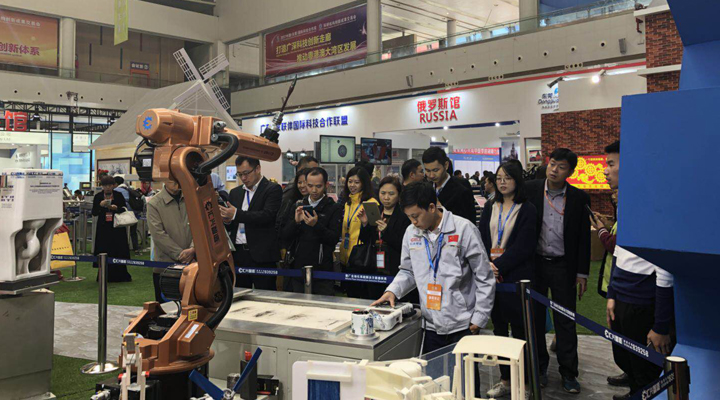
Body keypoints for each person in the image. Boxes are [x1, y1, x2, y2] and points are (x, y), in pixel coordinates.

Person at [371, 182, 495, 355]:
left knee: (463, 372)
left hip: (463, 323)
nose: (413, 222)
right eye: (409, 217)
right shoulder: (411, 233)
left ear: (431, 207)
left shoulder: (463, 229)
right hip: (430, 324)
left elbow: (484, 275)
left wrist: (480, 316)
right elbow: (408, 270)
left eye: (416, 216)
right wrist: (393, 291)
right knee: (433, 370)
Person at [526, 148, 590, 393]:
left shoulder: (579, 198)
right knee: (535, 319)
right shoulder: (530, 190)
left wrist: (582, 273)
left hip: (564, 266)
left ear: (570, 172)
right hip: (536, 265)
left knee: (566, 321)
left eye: (561, 167)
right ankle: (539, 368)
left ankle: (569, 373)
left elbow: (584, 239)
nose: (554, 170)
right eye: (552, 164)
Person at [478, 162, 537, 398]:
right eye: (499, 178)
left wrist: (497, 266)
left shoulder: (527, 209)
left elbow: (524, 246)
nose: (502, 182)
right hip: (492, 277)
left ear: (517, 180)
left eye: (508, 178)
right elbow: (482, 238)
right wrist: (487, 265)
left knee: (521, 333)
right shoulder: (490, 206)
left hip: (516, 276)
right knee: (500, 329)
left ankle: (525, 383)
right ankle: (505, 380)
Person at [220, 156, 282, 290]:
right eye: (239, 174)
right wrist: (227, 220)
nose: (243, 178)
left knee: (266, 294)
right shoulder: (235, 193)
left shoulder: (272, 189)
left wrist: (236, 214)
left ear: (258, 169)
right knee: (239, 294)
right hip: (238, 253)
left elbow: (267, 216)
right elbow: (233, 223)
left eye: (246, 173)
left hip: (262, 254)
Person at [281, 167, 342, 295]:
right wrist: (296, 222)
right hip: (298, 268)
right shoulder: (298, 205)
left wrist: (316, 225)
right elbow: (285, 236)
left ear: (326, 185)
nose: (314, 190)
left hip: (322, 270)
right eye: (310, 186)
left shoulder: (333, 208)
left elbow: (333, 238)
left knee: (322, 303)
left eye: (318, 186)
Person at [360, 176, 415, 302]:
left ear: (399, 195)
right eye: (383, 193)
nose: (386, 197)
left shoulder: (404, 215)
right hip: (374, 266)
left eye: (391, 194)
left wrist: (386, 231)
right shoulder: (375, 211)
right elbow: (365, 240)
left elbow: (402, 244)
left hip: (395, 266)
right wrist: (364, 224)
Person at [146, 181, 195, 302]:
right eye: (171, 178)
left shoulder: (192, 198)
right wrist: (181, 255)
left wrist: (193, 248)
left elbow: (200, 226)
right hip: (166, 266)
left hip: (194, 265)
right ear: (164, 179)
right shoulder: (154, 203)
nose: (176, 182)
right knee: (167, 309)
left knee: (194, 306)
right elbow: (158, 235)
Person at [338, 166, 379, 299]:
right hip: (346, 257)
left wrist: (365, 224)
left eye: (357, 182)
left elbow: (375, 234)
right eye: (350, 181)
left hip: (362, 259)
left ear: (364, 184)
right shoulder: (348, 203)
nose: (352, 185)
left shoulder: (371, 204)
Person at [91, 175, 132, 282]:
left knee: (118, 249)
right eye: (105, 185)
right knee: (104, 249)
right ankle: (103, 275)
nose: (108, 188)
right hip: (103, 228)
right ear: (102, 186)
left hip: (117, 227)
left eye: (110, 185)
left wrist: (115, 208)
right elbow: (94, 212)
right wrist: (100, 205)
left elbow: (124, 209)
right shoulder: (98, 196)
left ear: (113, 185)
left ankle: (121, 275)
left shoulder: (118, 195)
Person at [422, 147, 476, 224]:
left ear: (446, 165)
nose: (431, 175)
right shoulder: (425, 188)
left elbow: (468, 221)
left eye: (435, 170)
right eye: (427, 171)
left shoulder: (461, 189)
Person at [277, 168, 310, 253]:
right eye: (299, 182)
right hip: (294, 251)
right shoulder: (293, 203)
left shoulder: (322, 204)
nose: (302, 185)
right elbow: (284, 232)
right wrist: (296, 222)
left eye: (305, 182)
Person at [114, 176, 141, 252]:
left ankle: (122, 248)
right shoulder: (128, 189)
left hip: (122, 214)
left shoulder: (116, 190)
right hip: (132, 213)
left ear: (116, 183)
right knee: (133, 232)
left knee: (121, 232)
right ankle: (136, 248)